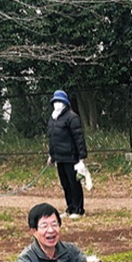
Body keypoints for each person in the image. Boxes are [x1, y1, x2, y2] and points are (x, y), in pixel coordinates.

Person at [48, 89, 89, 219]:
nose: (57, 104)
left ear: (65, 103)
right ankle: (70, 208)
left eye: (59, 101)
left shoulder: (72, 117)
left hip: (71, 157)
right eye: (55, 101)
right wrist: (51, 155)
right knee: (65, 184)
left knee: (74, 184)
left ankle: (78, 209)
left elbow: (78, 137)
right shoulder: (53, 118)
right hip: (59, 158)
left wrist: (81, 156)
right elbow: (52, 139)